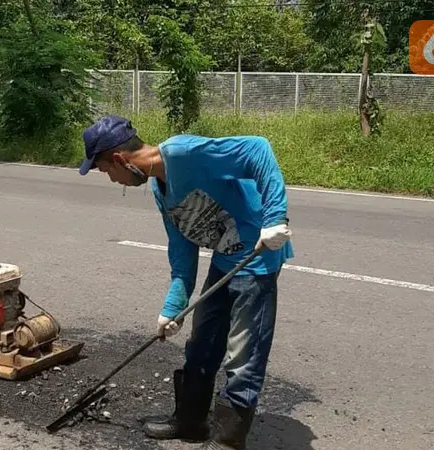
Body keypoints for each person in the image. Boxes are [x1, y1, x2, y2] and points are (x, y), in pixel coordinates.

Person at [78, 116, 294, 449]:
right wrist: (173, 308)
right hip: (224, 261)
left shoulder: (183, 152)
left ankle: (228, 440)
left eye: (106, 170)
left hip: (257, 258)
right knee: (202, 343)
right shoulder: (159, 187)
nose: (111, 179)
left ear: (120, 158)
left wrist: (275, 217)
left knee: (243, 354)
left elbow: (258, 149)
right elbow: (182, 247)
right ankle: (190, 421)